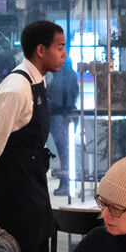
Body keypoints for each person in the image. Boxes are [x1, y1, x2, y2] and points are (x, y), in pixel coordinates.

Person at [0, 21, 68, 252]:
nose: (64, 54)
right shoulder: (15, 88)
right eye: (60, 47)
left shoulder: (37, 81)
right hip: (14, 197)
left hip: (32, 188)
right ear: (40, 50)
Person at [46, 55, 80, 187]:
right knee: (64, 150)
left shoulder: (62, 77)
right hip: (64, 115)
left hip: (61, 116)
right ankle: (65, 182)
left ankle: (65, 183)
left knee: (63, 150)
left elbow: (58, 97)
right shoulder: (68, 76)